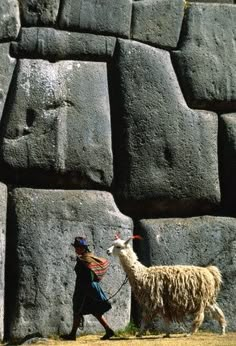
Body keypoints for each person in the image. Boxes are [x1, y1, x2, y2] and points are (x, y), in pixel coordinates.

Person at [61, 236, 115, 341]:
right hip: (92, 288)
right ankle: (108, 330)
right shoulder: (90, 257)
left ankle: (72, 335)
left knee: (77, 310)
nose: (75, 249)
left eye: (77, 247)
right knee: (95, 311)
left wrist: (84, 289)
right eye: (75, 247)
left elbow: (88, 277)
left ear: (82, 248)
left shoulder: (84, 260)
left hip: (84, 289)